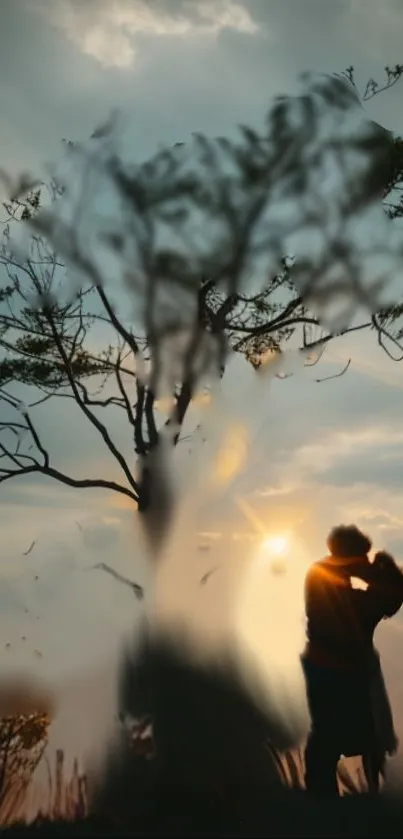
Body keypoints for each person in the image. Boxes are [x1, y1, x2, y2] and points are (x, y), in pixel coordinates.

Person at [301, 524, 403, 796]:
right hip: (334, 669)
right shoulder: (322, 577)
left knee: (366, 737)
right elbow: (385, 600)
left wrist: (380, 569)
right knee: (330, 737)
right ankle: (325, 802)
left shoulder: (328, 579)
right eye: (361, 556)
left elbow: (388, 600)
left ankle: (363, 797)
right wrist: (379, 569)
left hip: (347, 668)